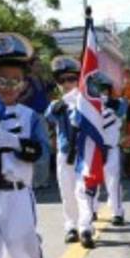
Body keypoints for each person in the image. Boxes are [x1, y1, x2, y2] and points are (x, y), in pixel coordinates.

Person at [0, 32, 53, 258]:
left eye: (14, 81)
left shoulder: (30, 117)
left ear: (24, 84)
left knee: (25, 244)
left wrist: (17, 144)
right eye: (1, 81)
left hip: (17, 192)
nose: (8, 87)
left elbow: (42, 153)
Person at [74, 71, 126, 239]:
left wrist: (108, 104)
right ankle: (92, 211)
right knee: (91, 182)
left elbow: (122, 111)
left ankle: (117, 212)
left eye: (104, 89)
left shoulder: (117, 104)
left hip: (111, 149)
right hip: (93, 150)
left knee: (113, 182)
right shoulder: (86, 108)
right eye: (97, 89)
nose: (101, 92)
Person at [44, 56, 81, 243]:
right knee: (67, 192)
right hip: (66, 153)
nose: (67, 83)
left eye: (71, 79)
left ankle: (86, 222)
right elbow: (50, 117)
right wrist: (61, 107)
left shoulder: (87, 103)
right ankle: (71, 226)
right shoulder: (55, 105)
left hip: (86, 154)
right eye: (62, 80)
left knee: (86, 191)